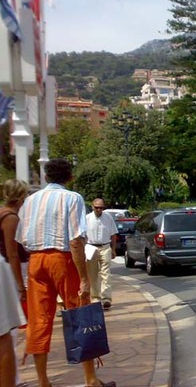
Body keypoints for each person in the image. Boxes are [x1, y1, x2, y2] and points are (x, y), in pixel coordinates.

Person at [16, 159, 116, 387]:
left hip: (36, 261)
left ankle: (43, 381)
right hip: (62, 260)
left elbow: (22, 239)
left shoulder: (30, 201)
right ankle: (90, 379)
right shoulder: (72, 198)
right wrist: (83, 278)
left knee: (39, 320)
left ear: (46, 177)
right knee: (79, 315)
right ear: (69, 177)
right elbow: (76, 240)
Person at [0, 179, 28, 387]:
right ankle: (13, 379)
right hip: (6, 273)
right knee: (10, 331)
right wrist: (20, 284)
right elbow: (12, 254)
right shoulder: (11, 218)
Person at [86, 198, 118, 309]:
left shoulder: (108, 218)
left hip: (105, 247)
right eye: (96, 207)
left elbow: (113, 235)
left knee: (106, 274)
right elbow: (82, 236)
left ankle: (106, 298)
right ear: (92, 207)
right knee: (93, 274)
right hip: (91, 248)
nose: (99, 209)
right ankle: (95, 298)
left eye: (101, 207)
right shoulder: (87, 219)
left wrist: (113, 249)